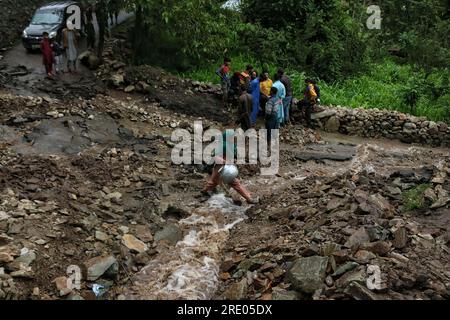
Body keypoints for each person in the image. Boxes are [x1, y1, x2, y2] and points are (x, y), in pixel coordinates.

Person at [202, 131, 259, 204]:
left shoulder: (230, 145)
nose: (234, 138)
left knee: (214, 182)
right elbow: (215, 156)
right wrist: (225, 162)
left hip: (222, 167)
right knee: (235, 183)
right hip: (222, 168)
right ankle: (248, 198)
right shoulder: (222, 145)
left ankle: (204, 192)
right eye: (232, 137)